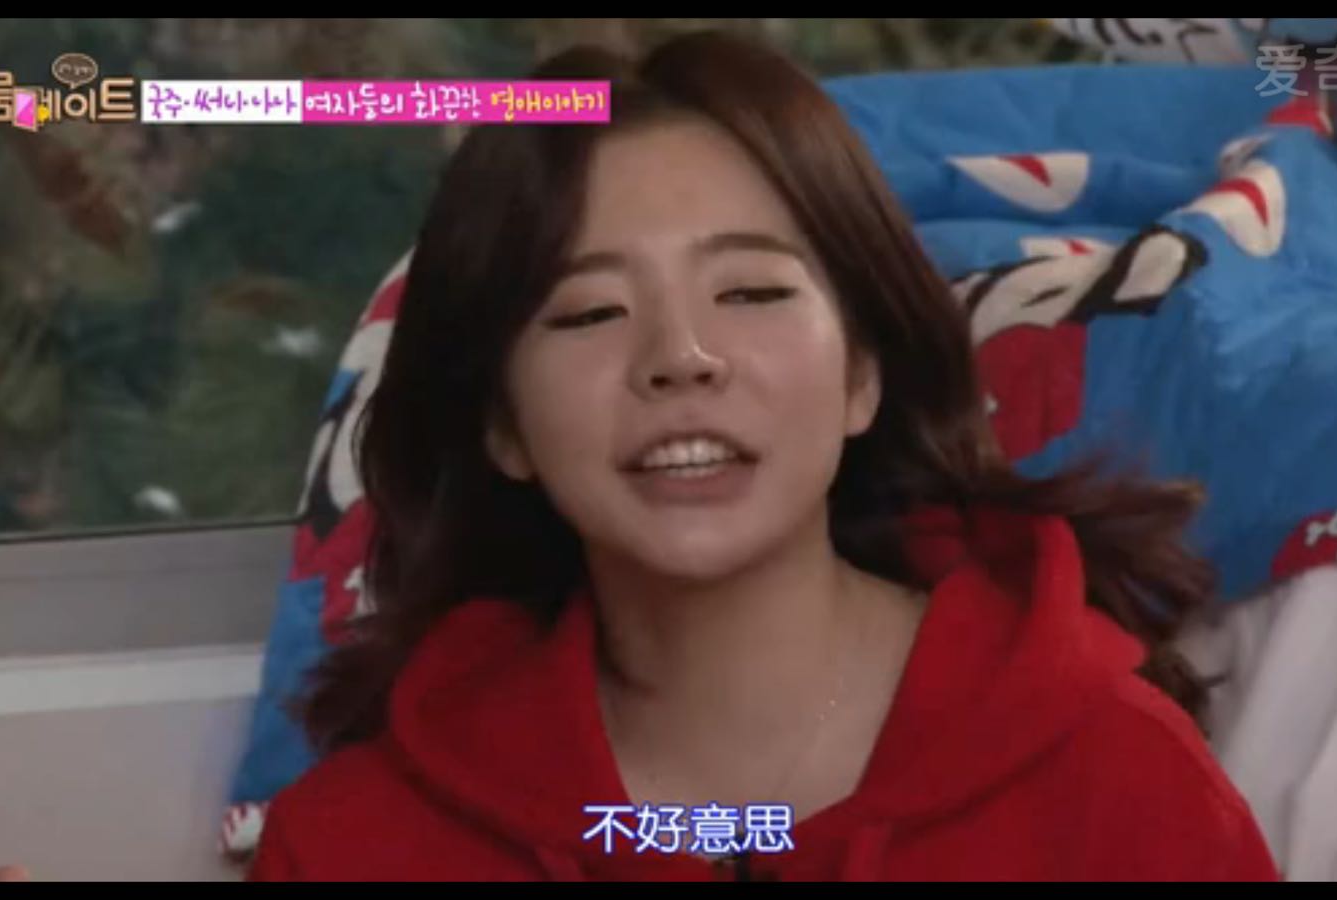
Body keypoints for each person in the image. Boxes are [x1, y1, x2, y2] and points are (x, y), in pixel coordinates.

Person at [248, 30, 1279, 881]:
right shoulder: (355, 846)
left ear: (862, 371)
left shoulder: (1114, 778)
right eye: (590, 311)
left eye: (750, 292)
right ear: (503, 423)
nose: (680, 357)